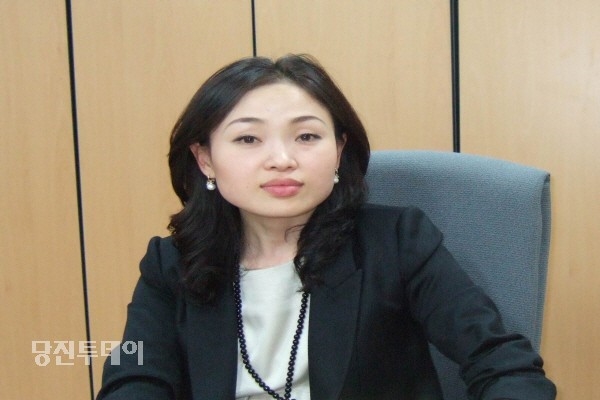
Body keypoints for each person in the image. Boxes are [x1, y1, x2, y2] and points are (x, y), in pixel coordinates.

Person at [96, 54, 556, 400]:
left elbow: (501, 362)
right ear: (205, 159)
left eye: (307, 136)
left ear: (338, 150)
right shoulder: (171, 264)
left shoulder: (397, 243)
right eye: (248, 138)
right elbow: (135, 378)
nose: (281, 159)